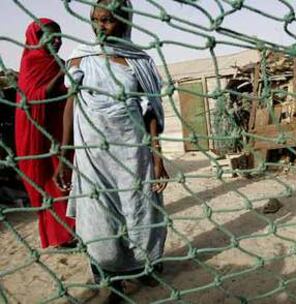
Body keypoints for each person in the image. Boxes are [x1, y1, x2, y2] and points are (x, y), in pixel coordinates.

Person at [55, 0, 169, 301]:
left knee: (141, 214)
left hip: (133, 152)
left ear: (124, 20)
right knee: (99, 218)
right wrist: (65, 156)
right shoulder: (81, 58)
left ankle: (144, 267)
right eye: (95, 20)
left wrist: (158, 159)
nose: (100, 27)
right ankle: (109, 277)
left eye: (107, 20)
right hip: (93, 154)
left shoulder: (140, 62)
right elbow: (71, 107)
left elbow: (151, 113)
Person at [15, 18, 75, 248]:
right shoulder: (32, 62)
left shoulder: (58, 62)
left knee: (67, 182)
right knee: (49, 185)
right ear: (36, 38)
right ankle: (59, 237)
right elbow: (33, 99)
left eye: (60, 37)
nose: (58, 41)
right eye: (52, 37)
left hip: (61, 132)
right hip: (38, 135)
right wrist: (62, 74)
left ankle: (72, 232)